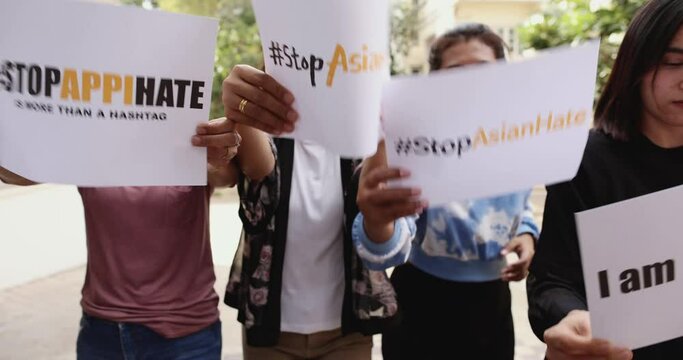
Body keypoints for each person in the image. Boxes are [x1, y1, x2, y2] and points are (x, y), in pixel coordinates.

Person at [0, 115, 274, 359]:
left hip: (184, 336)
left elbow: (229, 173)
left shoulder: (187, 131)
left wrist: (220, 150)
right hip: (101, 332)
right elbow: (11, 171)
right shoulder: (92, 135)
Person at [352, 23, 539, 360]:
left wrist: (527, 235)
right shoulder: (411, 146)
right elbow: (389, 245)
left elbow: (521, 207)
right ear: (433, 82)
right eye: (454, 73)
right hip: (420, 304)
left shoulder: (518, 141)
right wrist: (377, 225)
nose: (469, 84)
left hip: (492, 307)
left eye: (483, 71)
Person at [527, 0, 683, 359]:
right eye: (674, 62)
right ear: (636, 64)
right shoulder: (584, 162)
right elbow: (552, 281)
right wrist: (572, 317)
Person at [221, 65, 399, 359]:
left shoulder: (363, 142)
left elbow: (380, 228)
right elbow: (258, 174)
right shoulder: (267, 133)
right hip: (271, 333)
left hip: (346, 335)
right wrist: (240, 105)